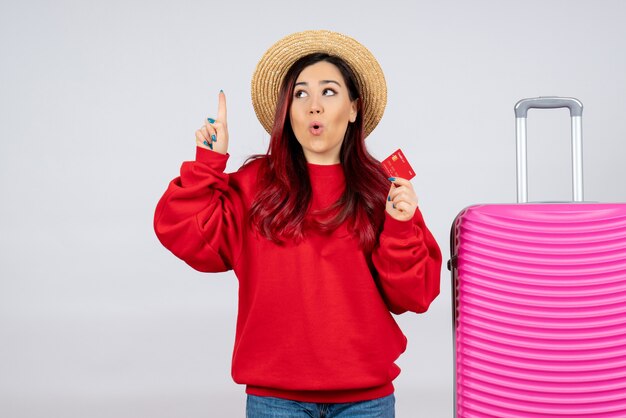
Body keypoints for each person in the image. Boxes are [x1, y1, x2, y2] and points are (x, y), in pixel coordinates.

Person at [154, 30, 442, 418]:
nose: (314, 107)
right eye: (301, 94)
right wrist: (208, 163)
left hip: (366, 400)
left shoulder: (383, 189)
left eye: (328, 92)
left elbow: (414, 296)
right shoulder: (255, 183)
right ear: (286, 111)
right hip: (275, 399)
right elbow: (187, 235)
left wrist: (402, 226)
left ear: (354, 108)